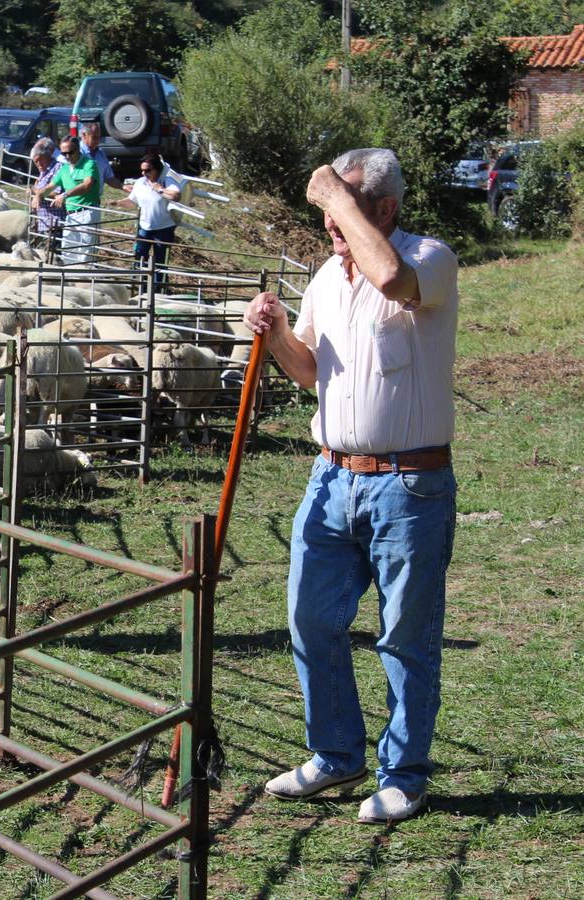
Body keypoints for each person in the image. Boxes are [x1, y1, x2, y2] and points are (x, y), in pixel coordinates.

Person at [244, 148, 458, 825]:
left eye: (344, 210)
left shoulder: (429, 258)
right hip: (332, 477)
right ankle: (337, 754)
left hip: (410, 484)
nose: (330, 226)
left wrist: (333, 196)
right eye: (329, 211)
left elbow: (391, 276)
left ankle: (405, 773)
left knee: (404, 634)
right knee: (312, 619)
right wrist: (276, 334)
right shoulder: (326, 280)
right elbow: (310, 371)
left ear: (385, 209)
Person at [116, 151, 183, 281]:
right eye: (142, 171)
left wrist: (159, 189)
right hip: (145, 226)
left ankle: (159, 290)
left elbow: (176, 196)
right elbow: (132, 201)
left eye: (147, 171)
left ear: (157, 169)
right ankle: (140, 285)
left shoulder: (166, 181)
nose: (144, 174)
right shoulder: (140, 182)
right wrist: (117, 203)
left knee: (160, 262)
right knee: (140, 257)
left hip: (164, 228)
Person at [36, 136, 102, 265]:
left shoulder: (89, 164)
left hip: (87, 212)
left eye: (70, 152)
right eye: (63, 153)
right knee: (68, 251)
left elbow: (87, 184)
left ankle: (84, 282)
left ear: (78, 149)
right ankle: (69, 282)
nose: (67, 156)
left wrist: (65, 195)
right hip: (70, 215)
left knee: (85, 254)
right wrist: (38, 194)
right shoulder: (64, 169)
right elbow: (50, 187)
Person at [28, 137, 65, 259]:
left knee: (52, 257)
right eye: (35, 162)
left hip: (54, 223)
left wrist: (37, 192)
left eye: (40, 161)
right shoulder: (43, 172)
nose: (38, 165)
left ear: (47, 156)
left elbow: (57, 193)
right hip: (43, 223)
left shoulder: (58, 168)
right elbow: (39, 188)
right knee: (43, 256)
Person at [78, 122, 123, 190]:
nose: (98, 141)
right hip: (78, 199)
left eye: (99, 137)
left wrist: (123, 186)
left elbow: (109, 178)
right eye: (94, 137)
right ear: (84, 135)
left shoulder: (101, 154)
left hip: (95, 199)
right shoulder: (75, 153)